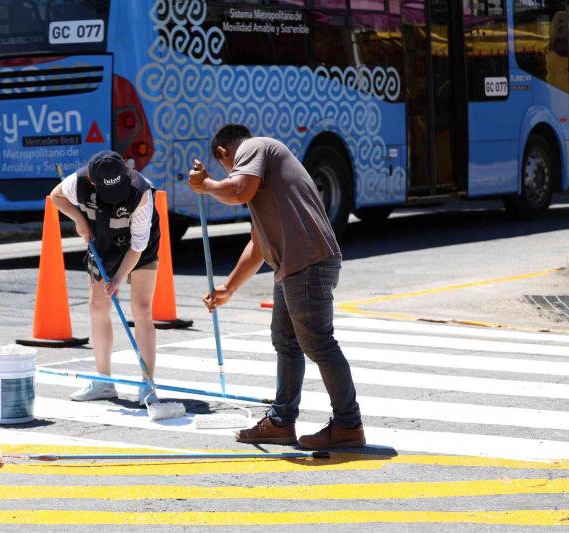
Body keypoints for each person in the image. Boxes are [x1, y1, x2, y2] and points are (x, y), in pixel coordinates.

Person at [188, 124, 365, 449]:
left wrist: (208, 186)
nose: (230, 174)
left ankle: (348, 424)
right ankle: (281, 422)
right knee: (286, 341)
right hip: (293, 267)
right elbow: (258, 243)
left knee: (318, 343)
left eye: (226, 169)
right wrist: (229, 288)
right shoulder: (264, 182)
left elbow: (237, 190)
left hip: (307, 263)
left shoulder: (253, 148)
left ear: (224, 153)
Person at [50, 150, 161, 406]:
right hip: (102, 242)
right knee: (98, 306)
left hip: (138, 247)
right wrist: (79, 220)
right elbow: (56, 196)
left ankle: (148, 382)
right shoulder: (78, 181)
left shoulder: (141, 191)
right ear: (92, 181)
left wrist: (119, 277)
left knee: (142, 309)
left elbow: (138, 245)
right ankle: (103, 380)